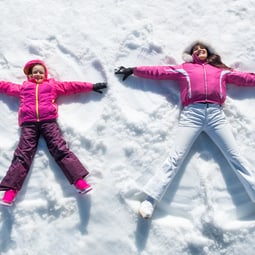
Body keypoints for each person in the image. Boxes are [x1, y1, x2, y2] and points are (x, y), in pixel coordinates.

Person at [115, 40, 255, 219]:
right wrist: (134, 70)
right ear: (192, 55)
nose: (199, 50)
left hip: (215, 115)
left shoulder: (221, 71)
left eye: (202, 48)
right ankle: (150, 200)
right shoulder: (184, 68)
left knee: (235, 157)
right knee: (175, 158)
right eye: (195, 49)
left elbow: (245, 79)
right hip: (192, 114)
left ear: (208, 52)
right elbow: (159, 72)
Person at [0, 59, 107, 206]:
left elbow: (71, 87)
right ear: (30, 75)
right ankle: (10, 192)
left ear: (45, 74)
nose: (37, 74)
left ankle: (79, 182)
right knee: (23, 154)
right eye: (34, 72)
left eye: (40, 72)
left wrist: (91, 86)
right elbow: (5, 87)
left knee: (60, 149)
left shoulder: (51, 86)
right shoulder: (24, 87)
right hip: (28, 124)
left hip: (48, 122)